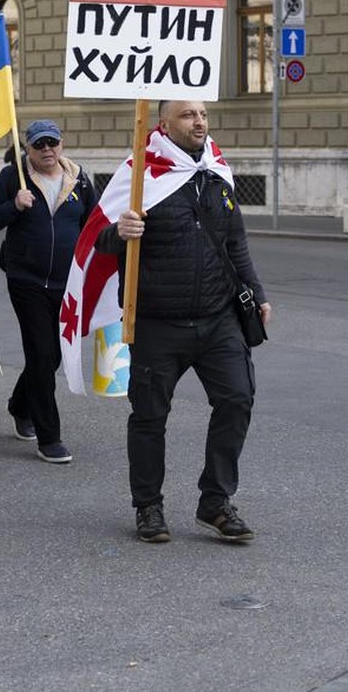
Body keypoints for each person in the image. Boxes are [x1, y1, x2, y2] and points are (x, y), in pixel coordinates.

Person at [97, 100, 271, 544]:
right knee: (150, 416)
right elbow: (98, 240)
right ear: (164, 123)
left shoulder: (216, 170)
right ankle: (148, 507)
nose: (199, 123)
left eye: (203, 115)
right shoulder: (139, 174)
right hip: (157, 323)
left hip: (219, 318)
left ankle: (215, 501)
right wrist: (121, 232)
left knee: (237, 400)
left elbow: (236, 242)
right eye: (188, 116)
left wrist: (257, 292)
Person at [0, 119, 96, 464]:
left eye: (52, 143)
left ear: (62, 145)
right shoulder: (13, 177)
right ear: (28, 148)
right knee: (42, 354)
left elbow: (93, 224)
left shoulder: (80, 179)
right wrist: (14, 205)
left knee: (52, 355)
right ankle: (49, 438)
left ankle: (19, 404)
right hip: (26, 280)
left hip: (68, 283)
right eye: (39, 145)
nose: (47, 150)